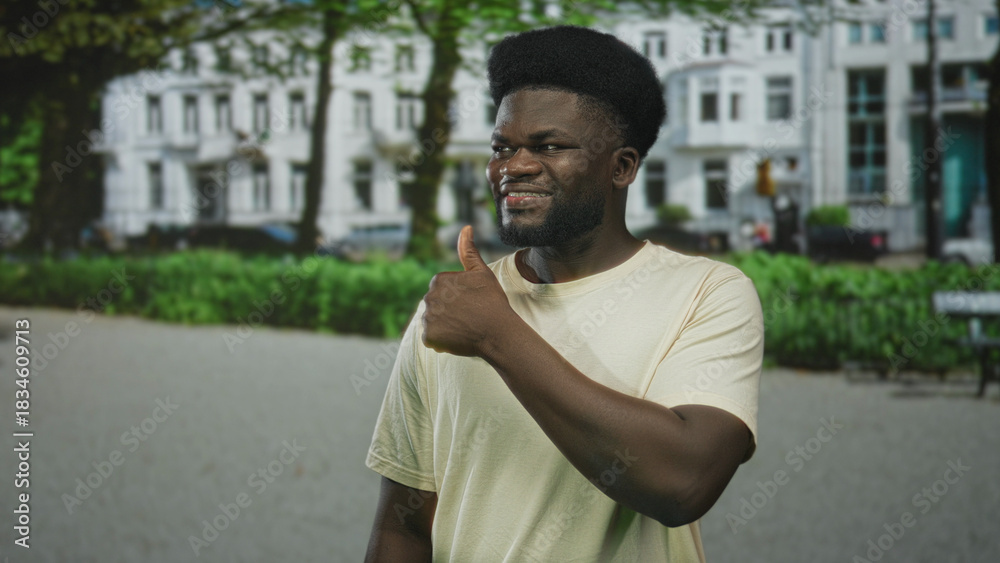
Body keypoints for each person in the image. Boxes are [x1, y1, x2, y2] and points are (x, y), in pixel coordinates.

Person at [364, 25, 763, 562]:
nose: (513, 167)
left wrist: (497, 335)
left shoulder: (708, 294)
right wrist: (483, 322)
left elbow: (683, 483)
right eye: (501, 147)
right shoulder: (453, 310)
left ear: (621, 167)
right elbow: (404, 528)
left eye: (548, 146)